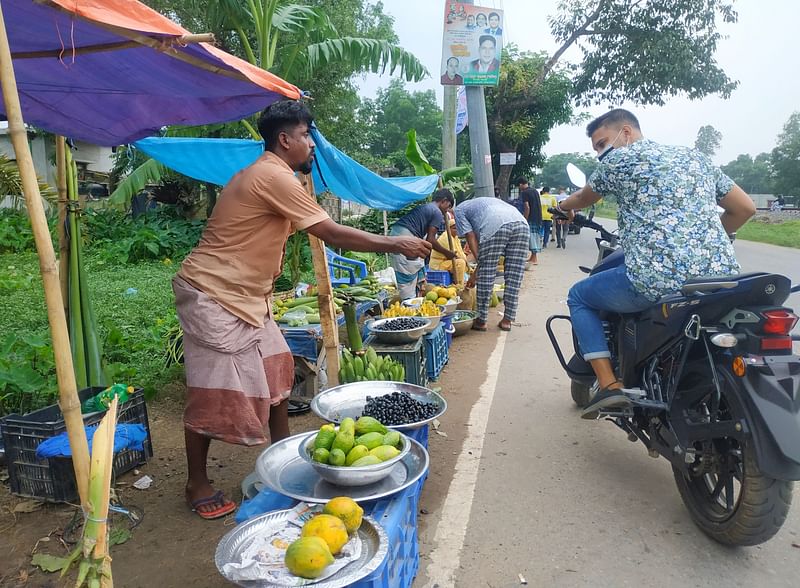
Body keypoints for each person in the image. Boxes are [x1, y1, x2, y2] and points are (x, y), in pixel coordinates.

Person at [173, 100, 431, 519]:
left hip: (249, 298)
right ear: (284, 140)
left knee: (278, 368)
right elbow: (330, 232)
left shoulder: (278, 175)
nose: (312, 145)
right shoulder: (272, 175)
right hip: (213, 293)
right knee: (212, 391)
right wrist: (396, 242)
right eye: (307, 136)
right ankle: (196, 482)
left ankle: (283, 461)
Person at [556, 108, 755, 419]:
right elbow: (745, 208)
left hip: (654, 279)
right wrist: (700, 238)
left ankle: (608, 384)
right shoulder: (696, 158)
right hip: (721, 279)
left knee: (579, 296)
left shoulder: (619, 161)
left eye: (601, 143)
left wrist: (562, 205)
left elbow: (583, 198)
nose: (600, 153)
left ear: (626, 132)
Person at [454, 197, 528, 332]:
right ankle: (507, 320)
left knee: (486, 276)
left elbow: (470, 236)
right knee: (514, 275)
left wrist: (481, 265)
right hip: (522, 224)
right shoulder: (481, 203)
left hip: (495, 225)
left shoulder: (458, 210)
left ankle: (481, 321)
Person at [389, 189, 456, 299]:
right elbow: (431, 239)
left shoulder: (426, 207)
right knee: (407, 280)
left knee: (412, 273)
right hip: (406, 237)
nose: (446, 211)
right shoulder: (437, 212)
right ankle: (410, 309)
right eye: (448, 206)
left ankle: (413, 303)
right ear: (444, 201)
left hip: (397, 235)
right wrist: (447, 253)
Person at [429, 216, 469, 286]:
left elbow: (461, 252)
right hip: (438, 264)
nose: (456, 230)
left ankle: (462, 282)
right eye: (454, 228)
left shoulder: (455, 237)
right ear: (449, 228)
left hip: (446, 262)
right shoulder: (446, 237)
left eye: (457, 228)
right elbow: (455, 255)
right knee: (460, 263)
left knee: (464, 262)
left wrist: (469, 266)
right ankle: (459, 285)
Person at [517, 177, 542, 265]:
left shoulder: (525, 193)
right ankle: (532, 257)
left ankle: (534, 258)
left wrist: (525, 219)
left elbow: (527, 207)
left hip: (531, 218)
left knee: (531, 237)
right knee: (535, 236)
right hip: (538, 217)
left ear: (520, 184)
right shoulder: (535, 191)